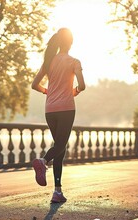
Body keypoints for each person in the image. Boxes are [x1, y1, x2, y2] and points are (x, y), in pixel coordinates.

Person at [31, 28, 86, 203]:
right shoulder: (74, 61)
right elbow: (82, 85)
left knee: (60, 149)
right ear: (71, 43)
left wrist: (48, 91)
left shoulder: (48, 62)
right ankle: (43, 160)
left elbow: (34, 85)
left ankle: (57, 191)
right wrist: (75, 91)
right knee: (61, 145)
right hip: (66, 108)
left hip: (50, 109)